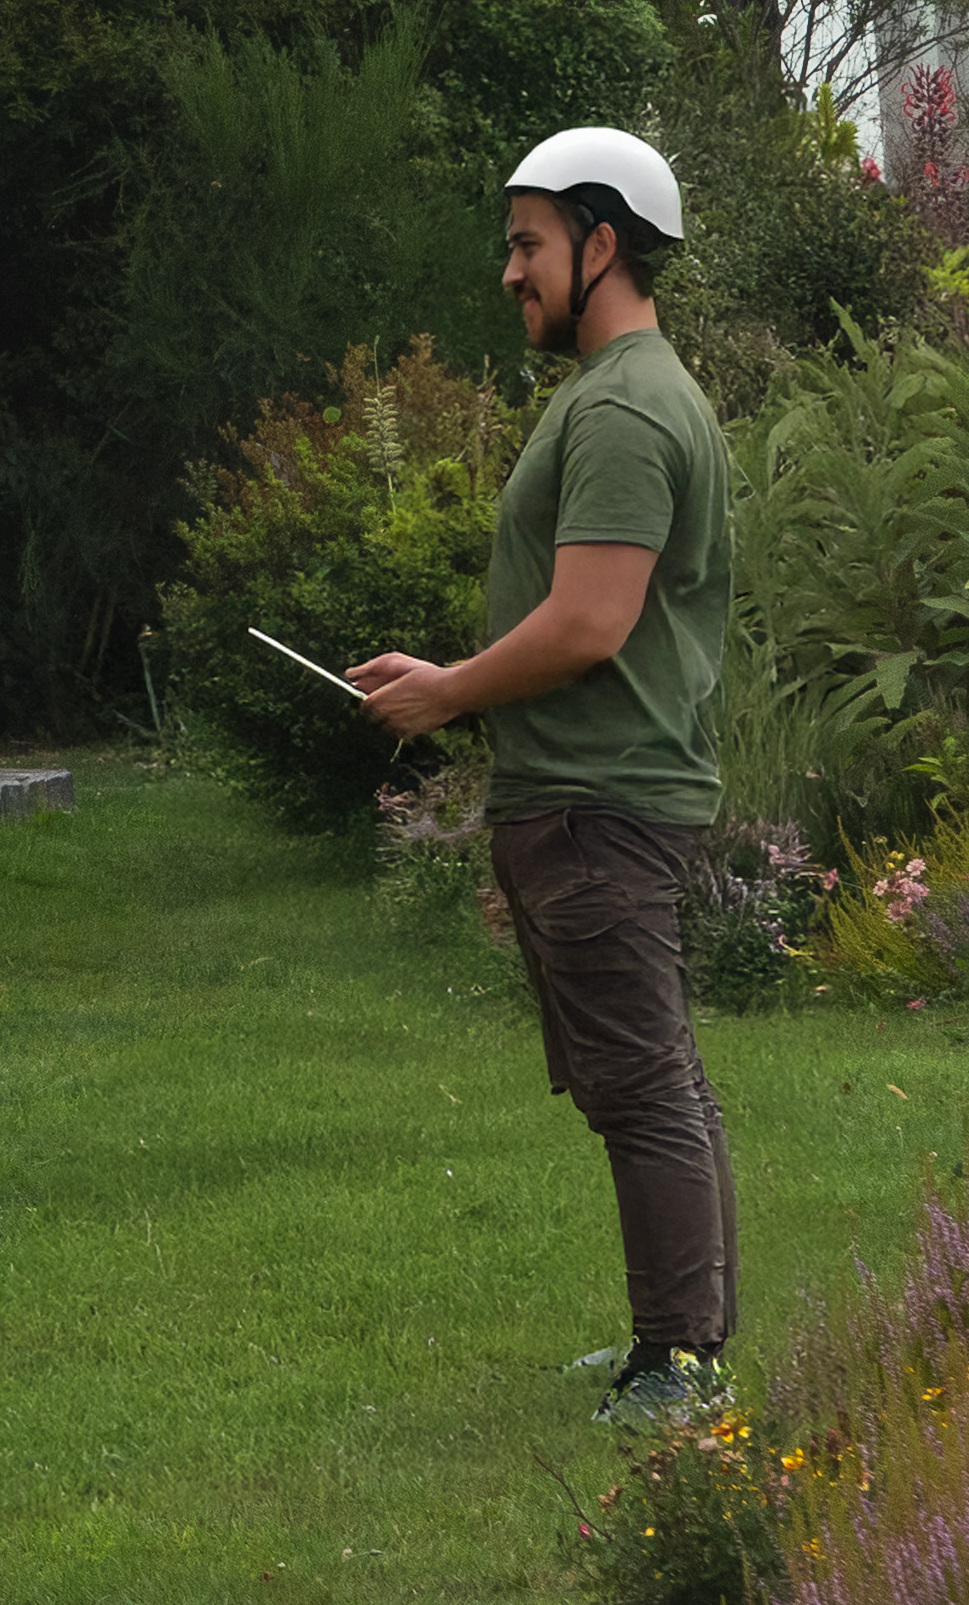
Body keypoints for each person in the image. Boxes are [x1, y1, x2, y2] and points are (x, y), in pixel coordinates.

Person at [352, 126, 738, 1434]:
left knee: (642, 1086)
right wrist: (447, 674)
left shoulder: (625, 406)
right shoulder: (618, 392)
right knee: (656, 1079)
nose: (509, 270)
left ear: (602, 241)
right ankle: (674, 1339)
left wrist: (448, 693)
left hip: (599, 800)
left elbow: (590, 623)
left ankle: (681, 1365)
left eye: (528, 243)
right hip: (595, 793)